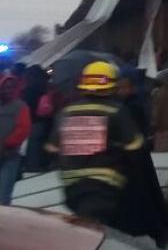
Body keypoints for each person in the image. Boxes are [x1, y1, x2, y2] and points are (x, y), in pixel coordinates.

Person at [45, 61, 144, 228]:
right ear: (112, 86)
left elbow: (52, 148)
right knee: (99, 231)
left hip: (72, 186)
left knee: (85, 228)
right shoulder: (115, 111)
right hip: (105, 185)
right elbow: (135, 147)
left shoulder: (67, 112)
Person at [114, 68, 168, 248]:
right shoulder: (129, 105)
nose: (121, 91)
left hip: (134, 159)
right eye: (119, 88)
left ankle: (154, 229)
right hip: (135, 158)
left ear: (131, 88)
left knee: (141, 196)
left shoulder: (131, 107)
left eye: (124, 87)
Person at [0, 74, 31, 205]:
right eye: (5, 87)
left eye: (11, 87)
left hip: (10, 154)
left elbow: (24, 129)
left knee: (3, 192)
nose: (7, 90)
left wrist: (7, 143)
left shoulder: (21, 106)